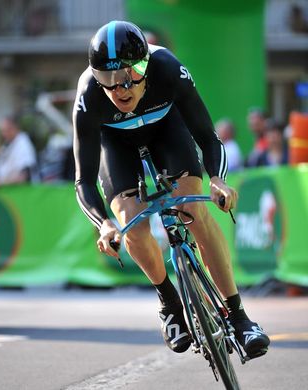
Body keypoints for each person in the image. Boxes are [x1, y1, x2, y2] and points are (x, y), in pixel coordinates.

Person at [72, 20, 270, 358]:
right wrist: (104, 224)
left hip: (167, 127)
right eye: (107, 80)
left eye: (126, 77)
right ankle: (169, 303)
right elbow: (84, 180)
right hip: (115, 143)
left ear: (144, 68)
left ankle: (238, 316)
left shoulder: (168, 68)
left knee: (192, 209)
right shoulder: (89, 95)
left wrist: (217, 180)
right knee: (131, 224)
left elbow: (208, 137)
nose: (119, 90)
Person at [0, 115, 38, 192]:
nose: (3, 134)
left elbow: (22, 177)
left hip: (24, 195)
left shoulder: (23, 144)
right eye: (2, 131)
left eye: (5, 130)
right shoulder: (8, 144)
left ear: (14, 128)